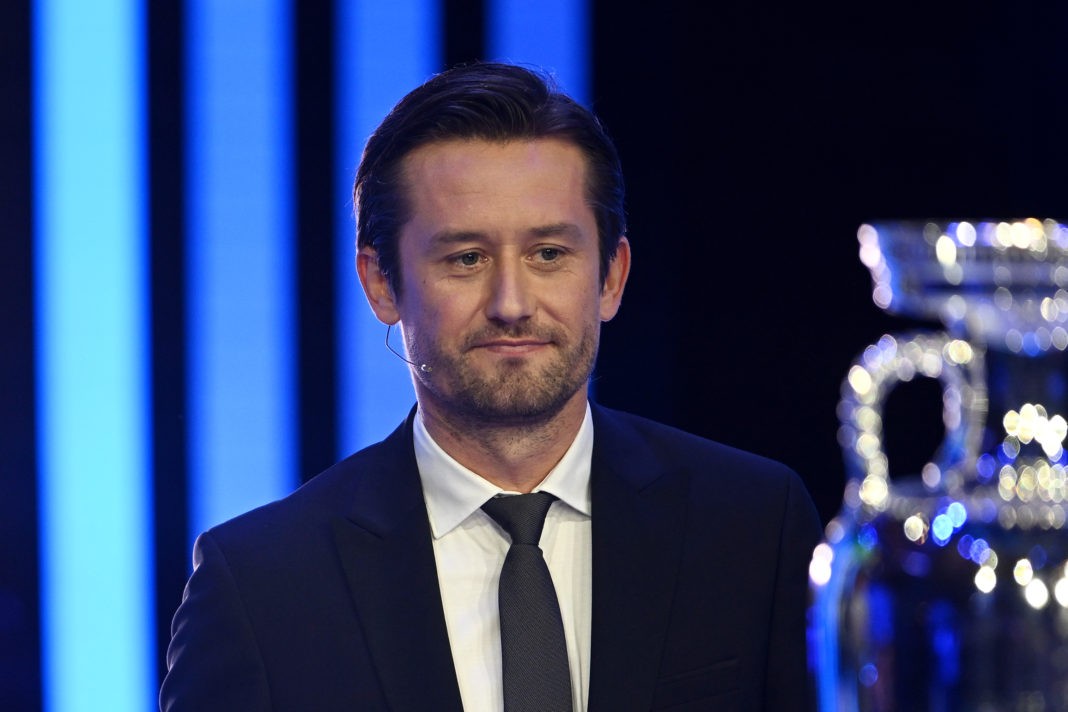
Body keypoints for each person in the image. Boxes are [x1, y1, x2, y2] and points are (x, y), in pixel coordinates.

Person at [160, 62, 822, 711]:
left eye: (548, 255)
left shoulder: (754, 529)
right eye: (466, 258)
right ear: (381, 284)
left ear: (612, 276)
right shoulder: (260, 586)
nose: (512, 303)